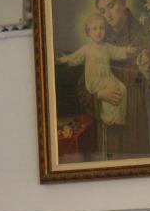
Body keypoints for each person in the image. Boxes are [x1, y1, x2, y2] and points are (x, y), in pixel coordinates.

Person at [83, 0, 150, 158]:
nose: (108, 15)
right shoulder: (98, 44)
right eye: (102, 11)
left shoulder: (145, 37)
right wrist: (98, 94)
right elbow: (84, 85)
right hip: (112, 121)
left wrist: (148, 74)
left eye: (111, 6)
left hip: (139, 121)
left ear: (123, 3)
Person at [56, 10, 139, 157]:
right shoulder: (87, 48)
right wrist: (64, 59)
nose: (98, 32)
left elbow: (117, 51)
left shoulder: (107, 47)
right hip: (95, 81)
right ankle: (108, 119)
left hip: (107, 77)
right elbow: (75, 57)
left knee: (122, 89)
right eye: (94, 29)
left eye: (101, 28)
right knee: (113, 89)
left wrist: (126, 50)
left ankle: (117, 119)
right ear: (88, 32)